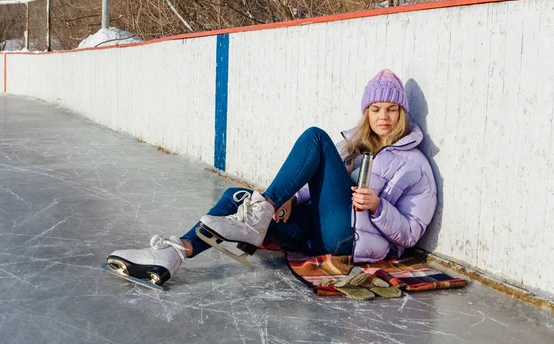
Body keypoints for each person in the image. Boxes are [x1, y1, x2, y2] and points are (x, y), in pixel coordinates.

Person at [106, 69, 437, 286]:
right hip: (315, 233)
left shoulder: (416, 165)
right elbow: (316, 186)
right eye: (376, 109)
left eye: (391, 110)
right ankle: (176, 253)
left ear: (402, 114)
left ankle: (258, 215)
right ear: (367, 112)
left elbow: (409, 234)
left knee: (314, 138)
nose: (383, 117)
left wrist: (378, 206)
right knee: (238, 196)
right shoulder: (350, 145)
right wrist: (292, 199)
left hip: (348, 242)